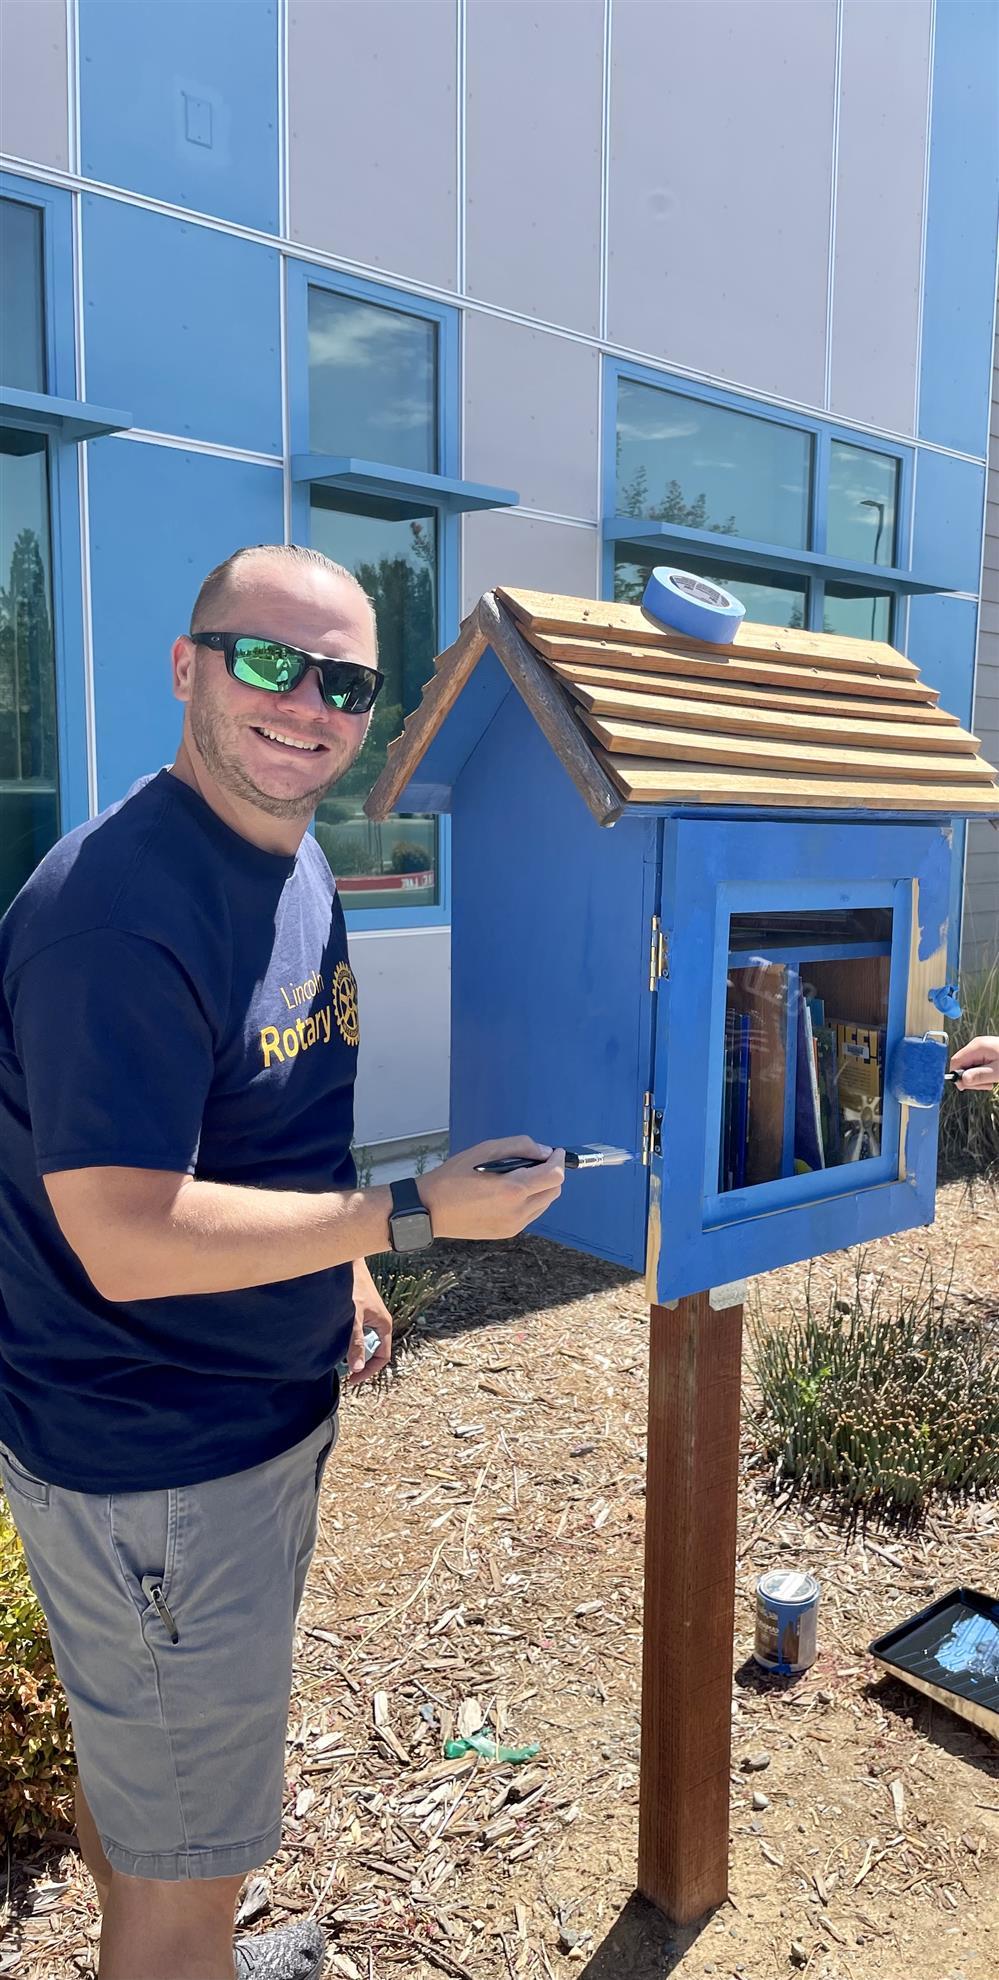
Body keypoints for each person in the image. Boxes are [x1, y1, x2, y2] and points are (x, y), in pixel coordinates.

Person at [0, 543, 566, 1980]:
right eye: (269, 660)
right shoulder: (118, 915)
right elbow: (123, 1236)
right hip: (157, 1462)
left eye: (346, 680)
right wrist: (408, 1220)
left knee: (160, 1796)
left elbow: (263, 1118)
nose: (308, 702)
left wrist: (340, 1273)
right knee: (194, 1872)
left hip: (233, 1430)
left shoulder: (291, 851)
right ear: (187, 668)